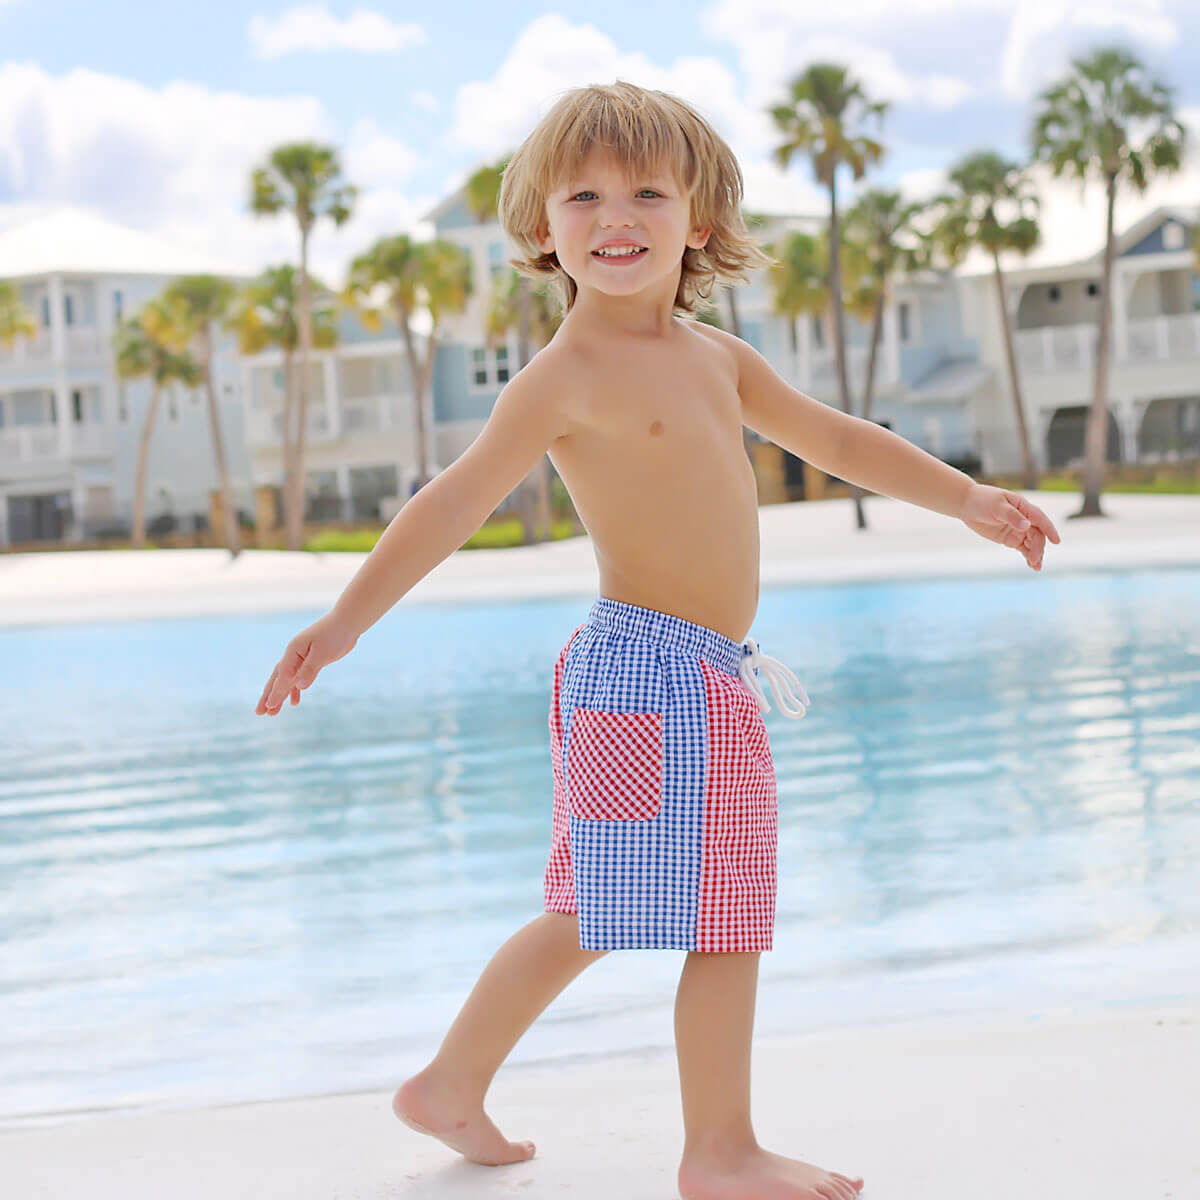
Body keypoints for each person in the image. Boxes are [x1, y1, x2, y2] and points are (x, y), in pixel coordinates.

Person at [254, 79, 1061, 1200]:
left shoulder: (715, 357)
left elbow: (838, 439)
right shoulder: (561, 377)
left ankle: (452, 1081)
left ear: (702, 221)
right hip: (647, 668)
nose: (614, 214)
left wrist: (967, 500)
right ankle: (717, 1150)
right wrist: (344, 623)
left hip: (688, 675)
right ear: (545, 229)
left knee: (608, 903)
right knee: (703, 904)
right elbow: (452, 501)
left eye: (646, 189)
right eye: (582, 193)